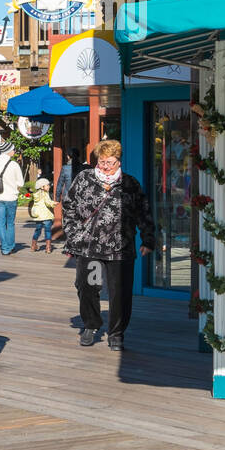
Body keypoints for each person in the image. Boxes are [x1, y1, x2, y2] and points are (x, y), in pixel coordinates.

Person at [62, 139, 154, 351]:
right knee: (87, 287)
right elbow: (69, 207)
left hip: (120, 249)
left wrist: (148, 238)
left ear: (118, 161)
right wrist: (74, 235)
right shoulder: (84, 179)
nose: (105, 165)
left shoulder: (130, 184)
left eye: (110, 162)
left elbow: (144, 212)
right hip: (90, 247)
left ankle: (116, 333)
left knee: (120, 292)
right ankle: (91, 324)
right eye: (102, 161)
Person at [0, 144, 25, 256]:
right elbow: (21, 183)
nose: (14, 151)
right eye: (13, 149)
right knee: (10, 223)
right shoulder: (14, 165)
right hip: (11, 197)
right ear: (9, 151)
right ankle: (10, 246)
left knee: (1, 223)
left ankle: (5, 247)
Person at [28, 177, 57, 253]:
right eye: (47, 185)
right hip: (46, 216)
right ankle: (48, 248)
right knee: (48, 231)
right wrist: (54, 203)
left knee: (37, 231)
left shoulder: (36, 194)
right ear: (42, 187)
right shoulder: (45, 194)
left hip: (39, 217)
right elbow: (48, 202)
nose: (49, 186)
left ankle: (33, 246)